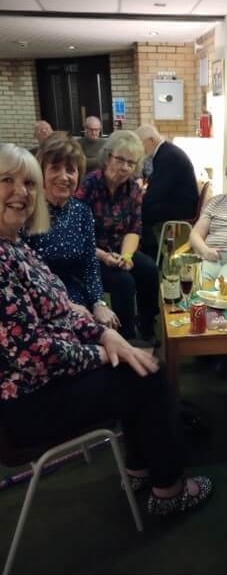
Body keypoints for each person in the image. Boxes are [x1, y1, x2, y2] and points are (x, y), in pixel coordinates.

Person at [0, 142, 214, 517]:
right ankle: (170, 489)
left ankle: (137, 468)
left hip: (51, 372)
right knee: (146, 371)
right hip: (26, 404)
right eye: (7, 181)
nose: (21, 193)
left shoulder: (14, 244)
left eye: (27, 184)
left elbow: (63, 304)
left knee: (136, 357)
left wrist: (105, 334)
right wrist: (102, 352)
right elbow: (34, 352)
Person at [75, 128, 157, 344]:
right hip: (91, 253)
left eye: (131, 163)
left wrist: (127, 257)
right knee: (124, 282)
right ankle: (126, 337)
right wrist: (104, 256)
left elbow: (134, 228)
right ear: (108, 155)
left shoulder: (133, 190)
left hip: (120, 250)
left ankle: (147, 327)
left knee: (149, 269)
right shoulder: (89, 185)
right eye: (120, 159)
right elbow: (77, 234)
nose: (124, 168)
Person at [27, 137, 116, 323]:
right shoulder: (27, 212)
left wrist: (99, 303)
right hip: (39, 303)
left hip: (77, 294)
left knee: (109, 328)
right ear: (41, 173)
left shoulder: (81, 211)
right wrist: (65, 303)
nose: (64, 176)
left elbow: (90, 263)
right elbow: (26, 277)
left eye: (70, 170)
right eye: (55, 168)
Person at [138, 125, 199, 256]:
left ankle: (152, 257)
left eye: (141, 144)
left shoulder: (167, 156)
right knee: (142, 210)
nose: (140, 149)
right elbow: (157, 185)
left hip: (181, 208)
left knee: (140, 216)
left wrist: (138, 204)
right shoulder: (166, 151)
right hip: (178, 202)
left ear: (151, 140)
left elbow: (156, 192)